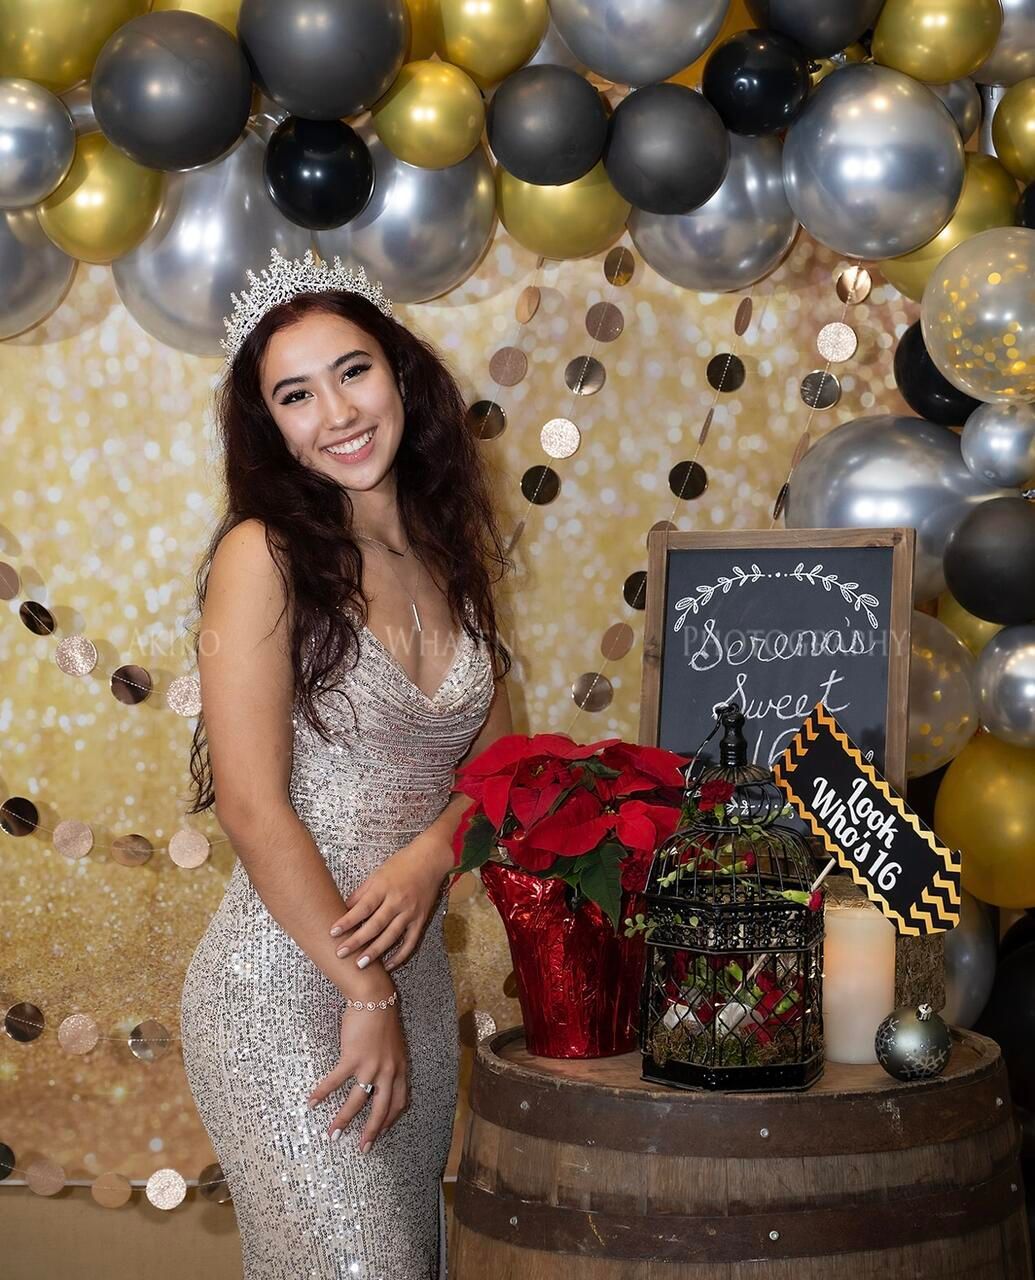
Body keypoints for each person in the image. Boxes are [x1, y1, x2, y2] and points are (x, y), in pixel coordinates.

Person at [179, 249, 514, 1279]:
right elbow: (249, 805)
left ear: (399, 374)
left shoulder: (451, 551)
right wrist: (363, 991)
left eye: (352, 370)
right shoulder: (263, 553)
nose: (336, 412)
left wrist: (429, 855)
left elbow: (503, 769)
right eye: (296, 394)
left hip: (415, 988)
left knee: (408, 1261)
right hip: (286, 984)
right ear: (272, 427)